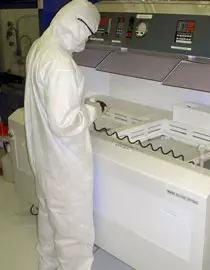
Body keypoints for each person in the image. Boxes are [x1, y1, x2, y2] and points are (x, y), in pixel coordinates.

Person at [24, 0, 107, 269]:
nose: (87, 39)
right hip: (64, 167)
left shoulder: (40, 47)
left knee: (49, 225)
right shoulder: (61, 63)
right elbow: (64, 122)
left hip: (45, 159)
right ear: (76, 24)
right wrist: (92, 109)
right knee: (74, 236)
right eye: (88, 32)